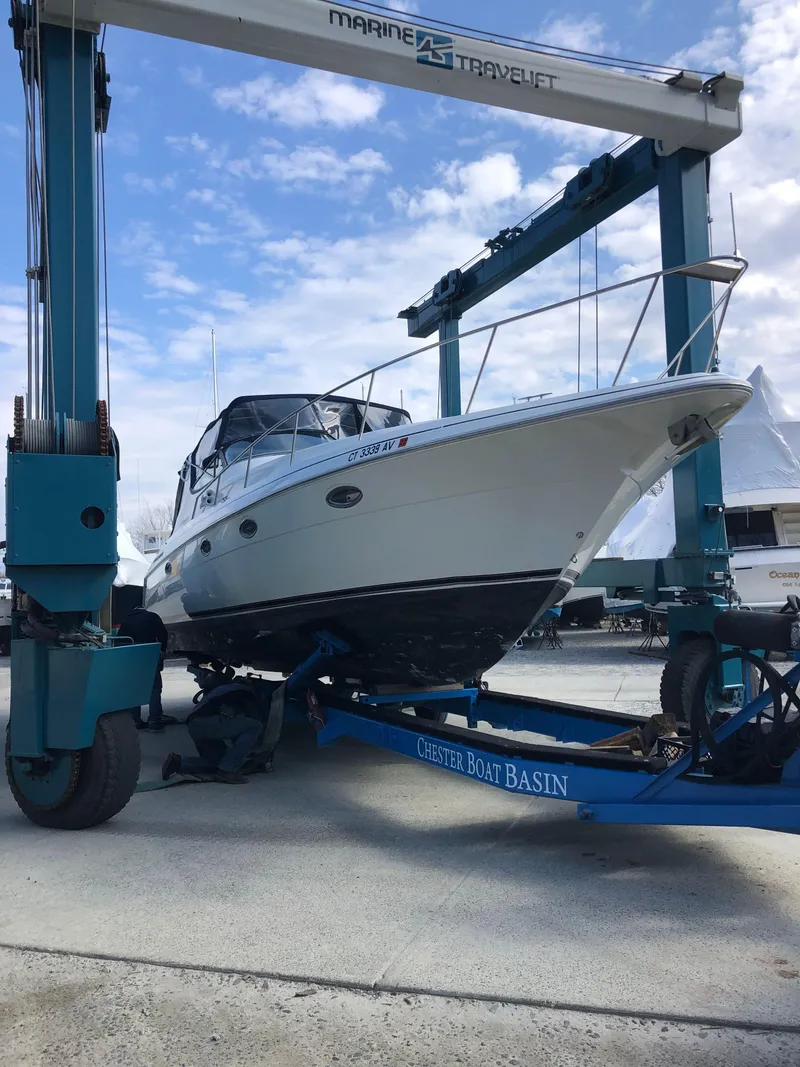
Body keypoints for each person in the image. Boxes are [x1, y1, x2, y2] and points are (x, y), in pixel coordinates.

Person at [162, 680, 264, 785]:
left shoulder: (227, 688)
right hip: (207, 722)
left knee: (216, 761)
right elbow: (240, 723)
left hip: (194, 725)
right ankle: (226, 771)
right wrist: (249, 751)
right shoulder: (246, 693)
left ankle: (178, 763)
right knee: (255, 726)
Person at [117, 605, 169, 731]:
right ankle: (155, 720)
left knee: (134, 688)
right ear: (143, 609)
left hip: (133, 657)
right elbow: (163, 634)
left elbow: (119, 640)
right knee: (154, 687)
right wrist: (162, 650)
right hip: (149, 654)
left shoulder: (126, 620)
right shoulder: (152, 616)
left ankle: (135, 720)